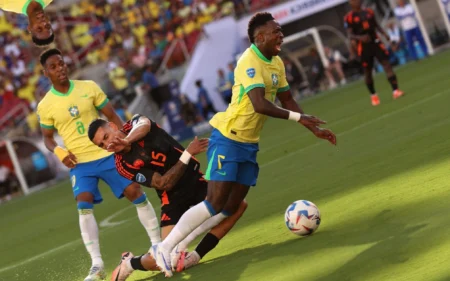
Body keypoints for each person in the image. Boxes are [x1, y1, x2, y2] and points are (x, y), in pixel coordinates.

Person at [149, 12, 337, 277]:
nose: (280, 35)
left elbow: (288, 99)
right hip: (228, 138)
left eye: (281, 31)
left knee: (231, 207)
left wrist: (313, 128)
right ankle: (166, 247)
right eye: (276, 32)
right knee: (214, 202)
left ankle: (190, 254)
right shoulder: (248, 61)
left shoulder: (277, 63)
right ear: (259, 38)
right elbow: (260, 104)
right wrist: (299, 117)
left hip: (248, 143)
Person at [36, 49, 161, 281]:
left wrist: (125, 141)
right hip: (80, 164)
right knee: (83, 202)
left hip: (108, 154)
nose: (60, 68)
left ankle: (157, 246)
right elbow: (47, 138)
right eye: (53, 66)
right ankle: (97, 265)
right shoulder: (46, 105)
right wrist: (60, 151)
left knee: (136, 192)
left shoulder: (89, 87)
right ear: (46, 73)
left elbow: (112, 116)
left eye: (61, 63)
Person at [88, 115, 247, 280]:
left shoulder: (135, 122)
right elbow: (163, 183)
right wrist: (187, 154)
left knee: (237, 205)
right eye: (102, 145)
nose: (107, 144)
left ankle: (195, 256)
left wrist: (127, 141)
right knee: (165, 261)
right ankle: (130, 263)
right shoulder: (122, 165)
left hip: (195, 182)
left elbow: (145, 125)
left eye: (106, 137)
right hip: (172, 198)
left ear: (113, 126)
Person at [345, 0, 405, 106]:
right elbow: (350, 35)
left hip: (375, 42)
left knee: (387, 64)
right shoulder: (349, 17)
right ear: (350, 3)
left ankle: (396, 91)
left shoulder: (369, 12)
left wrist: (386, 36)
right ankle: (373, 95)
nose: (357, 1)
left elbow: (377, 26)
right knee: (368, 71)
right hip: (363, 46)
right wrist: (360, 38)